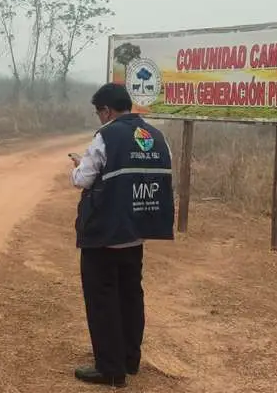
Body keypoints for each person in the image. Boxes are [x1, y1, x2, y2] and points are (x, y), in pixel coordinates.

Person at [69, 83, 175, 388]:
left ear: (106, 110)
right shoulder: (156, 136)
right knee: (130, 295)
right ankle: (129, 359)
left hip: (105, 233)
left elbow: (84, 178)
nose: (100, 118)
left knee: (102, 298)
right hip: (137, 231)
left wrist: (78, 166)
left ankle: (110, 370)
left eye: (99, 112)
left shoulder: (106, 135)